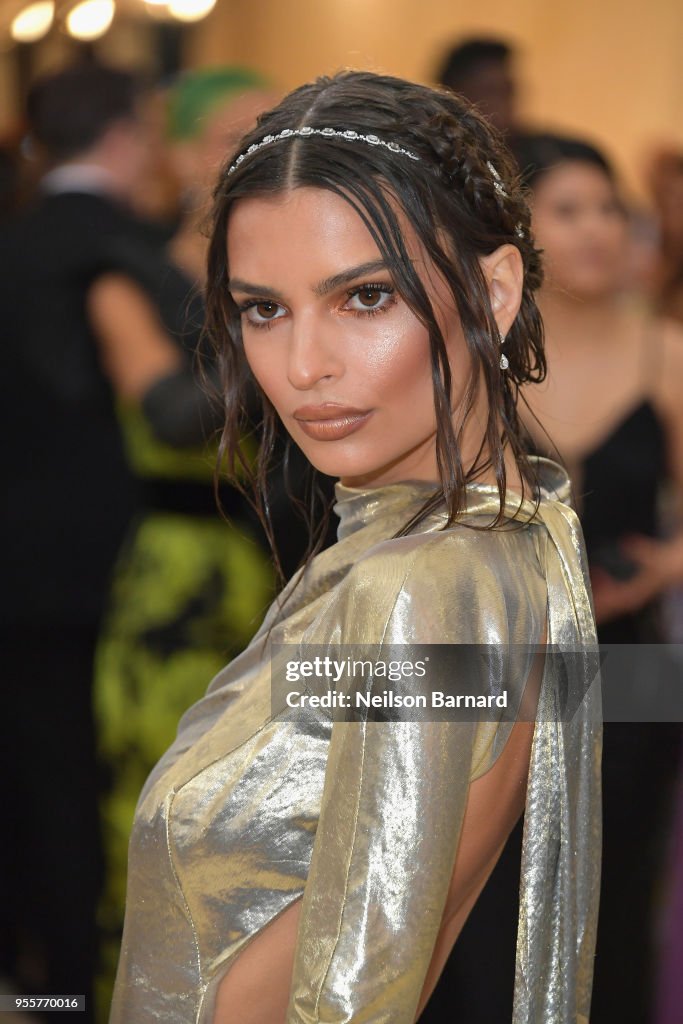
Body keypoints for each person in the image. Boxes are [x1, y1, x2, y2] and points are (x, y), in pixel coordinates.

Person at [109, 71, 601, 1024]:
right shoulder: (519, 526)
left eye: (366, 297)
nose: (302, 369)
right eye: (263, 309)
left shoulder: (418, 586)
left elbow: (349, 999)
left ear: (492, 291)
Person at [88, 68, 279, 1000]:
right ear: (176, 152)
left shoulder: (294, 284)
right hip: (181, 579)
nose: (250, 154)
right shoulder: (129, 278)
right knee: (162, 818)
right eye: (228, 137)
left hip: (285, 573)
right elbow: (171, 413)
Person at [0, 63, 162, 1017]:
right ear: (129, 131)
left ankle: (35, 981)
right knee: (98, 781)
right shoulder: (126, 250)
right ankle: (84, 986)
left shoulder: (12, 245)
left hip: (12, 560)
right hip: (111, 559)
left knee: (26, 771)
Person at [514, 133, 683, 1023]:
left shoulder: (664, 354)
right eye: (567, 210)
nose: (594, 231)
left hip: (630, 665)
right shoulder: (478, 362)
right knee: (492, 902)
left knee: (614, 897)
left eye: (608, 209)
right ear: (517, 231)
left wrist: (662, 562)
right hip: (493, 663)